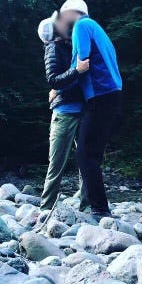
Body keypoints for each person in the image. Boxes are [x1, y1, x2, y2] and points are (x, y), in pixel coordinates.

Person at [58, 0, 122, 219]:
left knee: (85, 153)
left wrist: (59, 87)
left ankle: (99, 209)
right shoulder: (97, 28)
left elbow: (81, 63)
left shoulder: (82, 26)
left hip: (100, 96)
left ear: (70, 13)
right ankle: (99, 207)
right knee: (92, 152)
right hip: (112, 94)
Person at [37, 11, 90, 210]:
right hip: (64, 111)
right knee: (57, 162)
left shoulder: (70, 45)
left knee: (86, 159)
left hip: (82, 109)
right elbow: (53, 79)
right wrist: (76, 70)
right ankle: (45, 208)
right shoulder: (52, 48)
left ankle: (87, 206)